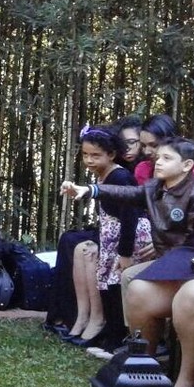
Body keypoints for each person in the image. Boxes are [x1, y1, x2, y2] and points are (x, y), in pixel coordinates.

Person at [61, 138, 194, 387]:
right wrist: (90, 190)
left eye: (166, 158)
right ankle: (142, 362)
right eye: (158, 157)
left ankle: (183, 377)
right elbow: (128, 193)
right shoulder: (155, 187)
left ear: (187, 165)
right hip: (172, 259)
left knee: (172, 290)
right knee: (136, 284)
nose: (157, 162)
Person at [59, 125, 149, 349]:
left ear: (111, 154)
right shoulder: (104, 175)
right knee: (107, 286)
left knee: (116, 287)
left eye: (95, 155)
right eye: (85, 154)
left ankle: (118, 340)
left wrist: (125, 253)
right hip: (113, 239)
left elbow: (130, 216)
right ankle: (107, 335)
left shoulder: (120, 176)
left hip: (129, 239)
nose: (89, 160)